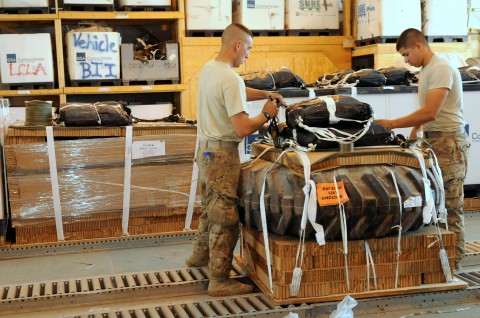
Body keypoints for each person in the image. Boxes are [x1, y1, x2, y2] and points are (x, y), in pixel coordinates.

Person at [185, 23, 285, 296]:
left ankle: (199, 258)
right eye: (248, 48)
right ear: (237, 45)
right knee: (225, 216)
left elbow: (237, 91)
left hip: (205, 151)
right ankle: (219, 280)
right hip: (222, 155)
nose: (248, 56)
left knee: (210, 208)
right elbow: (242, 128)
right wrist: (265, 115)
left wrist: (265, 94)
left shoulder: (211, 70)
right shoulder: (229, 78)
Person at [375, 28, 471, 271]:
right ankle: (442, 257)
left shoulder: (440, 68)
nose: (406, 61)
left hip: (448, 144)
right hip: (433, 141)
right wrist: (416, 129)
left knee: (450, 206)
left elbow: (431, 111)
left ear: (418, 45)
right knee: (434, 203)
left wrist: (393, 123)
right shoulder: (427, 70)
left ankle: (455, 262)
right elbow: (426, 110)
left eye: (407, 54)